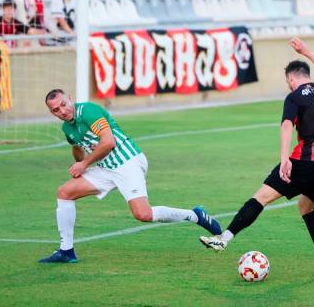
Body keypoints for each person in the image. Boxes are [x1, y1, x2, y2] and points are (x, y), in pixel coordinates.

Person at [200, 37, 314, 278]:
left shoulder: (295, 97)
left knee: (261, 197)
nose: (288, 86)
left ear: (292, 79)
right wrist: (305, 50)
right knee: (307, 208)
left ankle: (224, 239)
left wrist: (285, 158)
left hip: (304, 162)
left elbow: (286, 125)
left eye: (287, 82)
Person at [38, 88, 222, 263]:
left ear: (70, 98)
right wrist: (79, 164)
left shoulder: (88, 111)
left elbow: (108, 142)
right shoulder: (67, 129)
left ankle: (195, 215)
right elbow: (77, 147)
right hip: (106, 168)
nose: (62, 110)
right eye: (56, 110)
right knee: (65, 192)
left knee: (143, 214)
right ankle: (66, 251)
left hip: (127, 163)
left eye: (63, 104)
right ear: (52, 113)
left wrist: (84, 164)